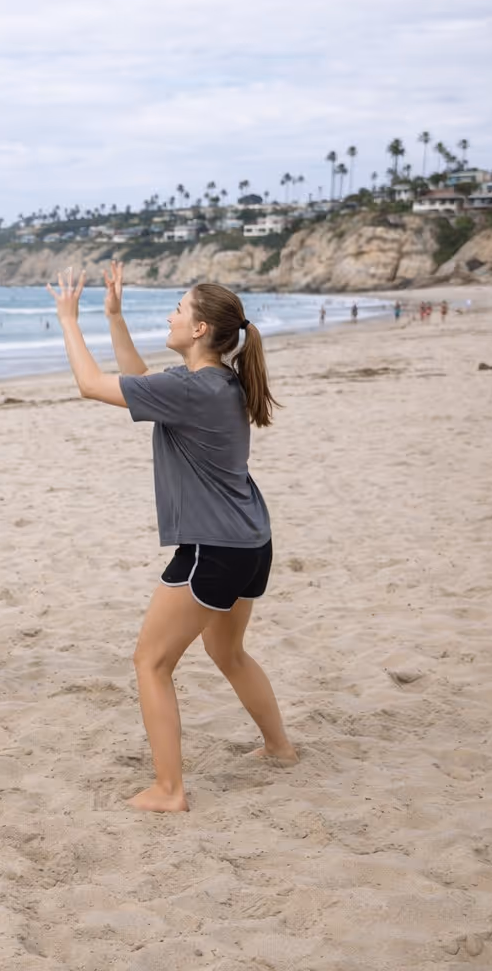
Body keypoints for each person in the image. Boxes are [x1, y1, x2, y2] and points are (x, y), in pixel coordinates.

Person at [50, 263, 296, 812]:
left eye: (179, 309)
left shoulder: (192, 389)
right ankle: (279, 748)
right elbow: (140, 382)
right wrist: (113, 317)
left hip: (214, 547)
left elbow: (93, 386)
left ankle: (170, 790)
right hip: (252, 539)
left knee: (150, 662)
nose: (171, 315)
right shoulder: (218, 382)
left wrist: (69, 319)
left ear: (202, 328)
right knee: (227, 651)